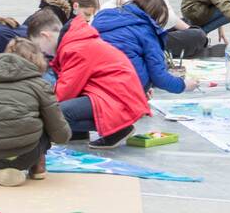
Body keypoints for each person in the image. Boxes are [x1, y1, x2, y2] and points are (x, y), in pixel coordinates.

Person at [27, 8, 149, 148]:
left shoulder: (75, 47)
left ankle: (119, 130)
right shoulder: (73, 42)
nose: (41, 52)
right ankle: (79, 132)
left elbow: (65, 91)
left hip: (117, 98)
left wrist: (38, 106)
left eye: (38, 46)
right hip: (115, 94)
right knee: (57, 110)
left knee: (55, 112)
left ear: (45, 36)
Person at [0, 38, 72, 187]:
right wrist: (65, 136)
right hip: (24, 155)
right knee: (46, 120)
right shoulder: (40, 85)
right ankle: (37, 168)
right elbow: (59, 131)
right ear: (36, 60)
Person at [92, 0, 198, 95]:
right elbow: (159, 77)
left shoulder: (104, 15)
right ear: (155, 17)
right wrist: (183, 85)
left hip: (94, 80)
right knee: (155, 68)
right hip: (125, 87)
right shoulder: (146, 31)